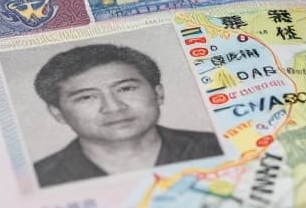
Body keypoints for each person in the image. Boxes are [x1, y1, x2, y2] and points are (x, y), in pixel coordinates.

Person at [31, 43, 222, 187]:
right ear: (58, 113)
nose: (113, 107)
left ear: (158, 94)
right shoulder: (38, 179)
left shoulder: (218, 146)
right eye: (86, 97)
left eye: (126, 88)